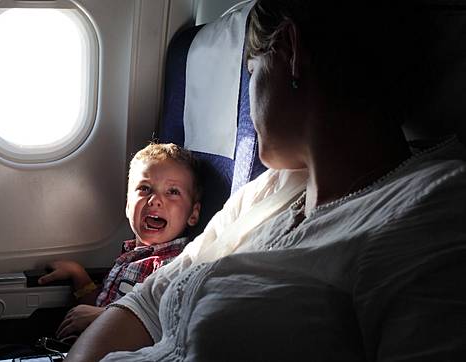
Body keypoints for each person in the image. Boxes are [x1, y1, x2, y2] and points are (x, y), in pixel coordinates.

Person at [65, 1, 466, 361]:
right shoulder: (268, 189)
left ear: (290, 51)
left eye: (252, 71)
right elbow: (149, 301)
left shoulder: (435, 209)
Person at [37, 143, 201, 340]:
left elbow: (162, 323)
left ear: (193, 214)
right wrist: (79, 275)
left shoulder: (175, 265)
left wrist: (103, 317)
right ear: (128, 205)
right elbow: (101, 303)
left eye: (172, 191)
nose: (155, 200)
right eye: (145, 188)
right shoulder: (132, 256)